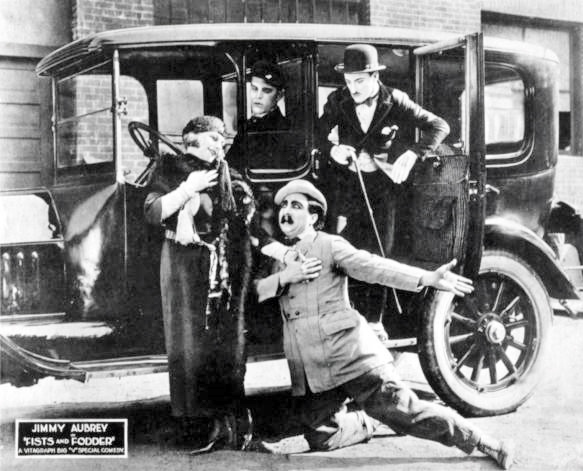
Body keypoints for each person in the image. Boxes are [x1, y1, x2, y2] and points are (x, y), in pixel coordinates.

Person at [253, 179, 514, 470]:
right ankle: (370, 420)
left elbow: (375, 267)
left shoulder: (329, 245)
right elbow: (258, 290)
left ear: (313, 217)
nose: (286, 212)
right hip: (315, 369)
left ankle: (482, 441)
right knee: (322, 436)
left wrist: (425, 278)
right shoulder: (279, 258)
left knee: (407, 411)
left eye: (296, 206)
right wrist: (287, 276)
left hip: (349, 354)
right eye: (284, 206)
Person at [144, 115, 288, 451]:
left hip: (229, 270)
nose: (220, 143)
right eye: (213, 137)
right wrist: (187, 189)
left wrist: (286, 253)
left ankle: (234, 424)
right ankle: (203, 425)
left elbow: (253, 230)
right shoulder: (170, 170)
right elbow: (153, 213)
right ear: (190, 139)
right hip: (186, 267)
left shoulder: (230, 176)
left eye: (222, 138)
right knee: (192, 342)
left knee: (230, 344)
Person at [316, 43, 450, 325]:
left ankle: (376, 322)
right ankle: (349, 320)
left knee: (382, 253)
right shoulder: (338, 100)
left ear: (375, 77)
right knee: (347, 253)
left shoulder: (396, 100)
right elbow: (314, 133)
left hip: (386, 190)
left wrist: (413, 153)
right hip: (350, 186)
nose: (353, 89)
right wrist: (332, 150)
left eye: (359, 82)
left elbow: (440, 126)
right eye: (348, 81)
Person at [227, 60, 291, 173]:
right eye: (254, 88)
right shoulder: (247, 125)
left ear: (279, 95)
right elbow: (231, 161)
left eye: (266, 90)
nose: (258, 96)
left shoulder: (284, 128)